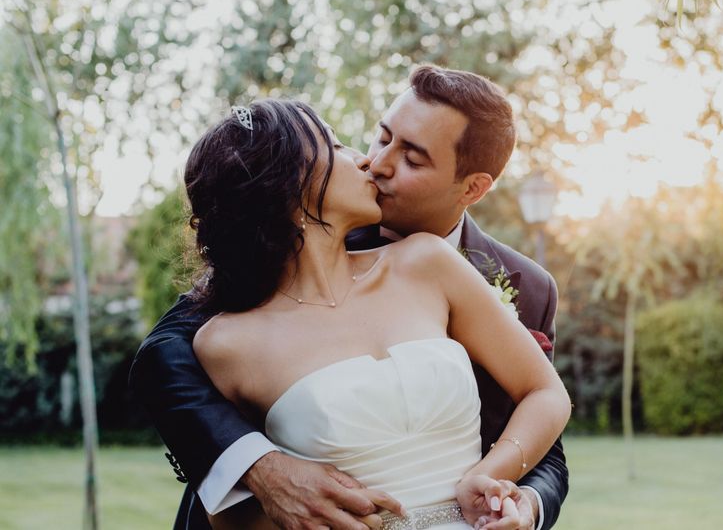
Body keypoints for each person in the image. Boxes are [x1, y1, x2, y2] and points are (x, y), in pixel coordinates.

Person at [129, 66, 570, 530]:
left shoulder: (507, 281)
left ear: (473, 187)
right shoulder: (241, 314)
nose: (375, 162)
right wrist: (259, 469)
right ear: (288, 193)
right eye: (381, 137)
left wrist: (521, 501)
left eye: (413, 160)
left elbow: (545, 425)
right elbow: (162, 357)